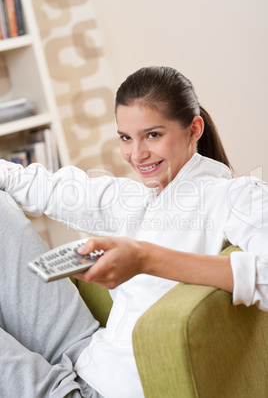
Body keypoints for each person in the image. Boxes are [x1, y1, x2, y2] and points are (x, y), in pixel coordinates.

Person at [0, 66, 268, 398]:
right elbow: (51, 189)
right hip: (82, 350)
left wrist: (145, 258)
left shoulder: (235, 196)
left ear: (194, 129)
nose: (136, 154)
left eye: (153, 135)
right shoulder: (135, 199)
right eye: (126, 138)